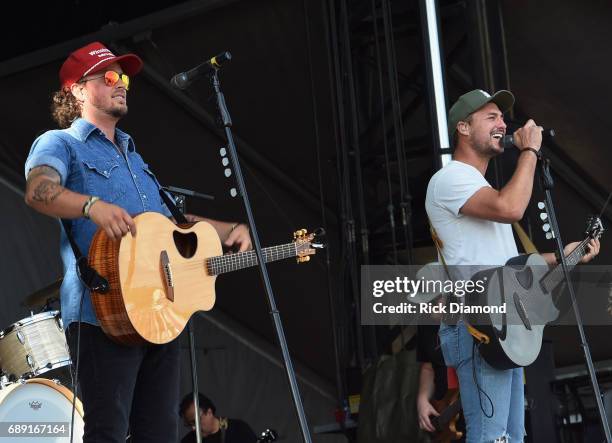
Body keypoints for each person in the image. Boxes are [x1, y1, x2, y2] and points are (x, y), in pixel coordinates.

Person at [24, 41, 252, 442]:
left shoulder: (133, 154)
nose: (122, 84)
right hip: (103, 312)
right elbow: (39, 190)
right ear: (78, 90)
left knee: (159, 434)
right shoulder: (60, 143)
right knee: (109, 433)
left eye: (124, 77)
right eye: (109, 76)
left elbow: (171, 224)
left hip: (158, 312)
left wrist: (226, 229)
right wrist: (91, 205)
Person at [424, 89, 600, 442]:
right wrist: (531, 151)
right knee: (492, 437)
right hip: (478, 326)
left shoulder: (479, 187)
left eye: (503, 118)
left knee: (510, 437)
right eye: (491, 117)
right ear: (463, 127)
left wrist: (565, 256)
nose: (502, 123)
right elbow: (512, 208)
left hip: (500, 324)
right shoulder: (451, 178)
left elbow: (510, 269)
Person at [179, 393, 257, 443]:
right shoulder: (187, 441)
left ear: (209, 412)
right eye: (189, 425)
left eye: (195, 422)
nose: (193, 428)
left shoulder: (239, 430)